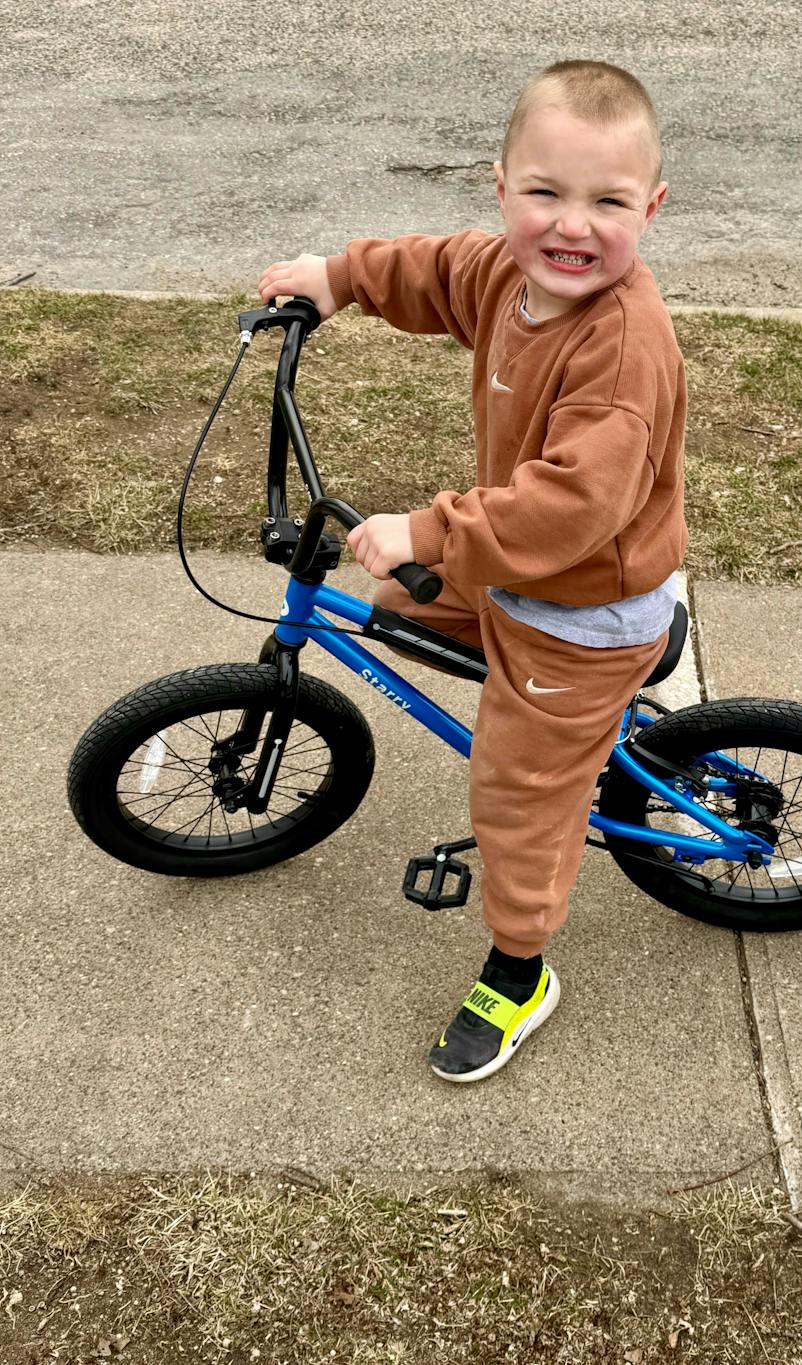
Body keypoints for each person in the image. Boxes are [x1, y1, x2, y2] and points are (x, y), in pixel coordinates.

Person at [257, 59, 687, 1084]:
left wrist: (432, 529)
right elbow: (440, 269)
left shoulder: (619, 350)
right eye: (544, 192)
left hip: (581, 602)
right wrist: (340, 277)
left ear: (651, 208)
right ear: (501, 189)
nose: (571, 225)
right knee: (392, 604)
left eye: (608, 202)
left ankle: (519, 969)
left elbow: (573, 504)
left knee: (515, 797)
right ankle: (577, 724)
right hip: (519, 574)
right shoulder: (510, 275)